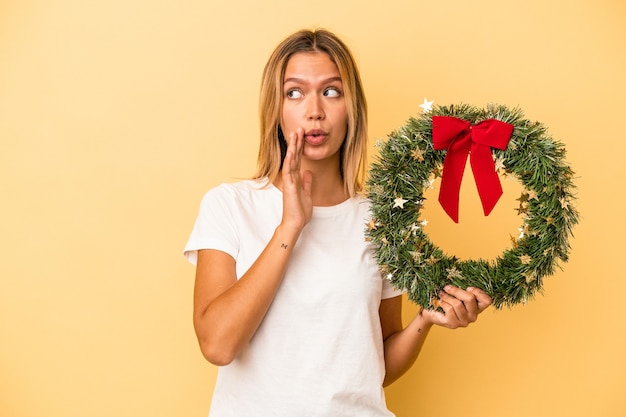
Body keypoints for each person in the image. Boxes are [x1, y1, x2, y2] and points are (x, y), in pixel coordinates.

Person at [184, 28, 492, 416]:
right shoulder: (229, 206)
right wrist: (290, 227)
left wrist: (424, 321)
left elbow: (371, 368)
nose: (315, 110)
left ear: (352, 108)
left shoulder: (380, 220)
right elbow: (217, 345)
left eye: (331, 91)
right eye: (294, 92)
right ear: (275, 109)